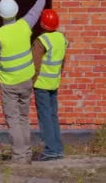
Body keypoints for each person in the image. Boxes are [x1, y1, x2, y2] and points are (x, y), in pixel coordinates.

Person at [0, 0, 48, 164]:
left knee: (13, 119)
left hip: (9, 83)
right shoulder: (24, 25)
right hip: (26, 80)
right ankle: (26, 154)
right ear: (16, 11)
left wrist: (2, 63)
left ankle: (20, 157)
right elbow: (35, 12)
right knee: (24, 117)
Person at [32, 9, 68, 161]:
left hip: (41, 84)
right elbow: (63, 62)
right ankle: (57, 148)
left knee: (45, 116)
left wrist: (31, 81)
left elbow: (35, 64)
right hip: (54, 82)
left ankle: (51, 149)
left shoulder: (41, 41)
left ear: (42, 24)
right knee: (53, 115)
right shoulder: (62, 38)